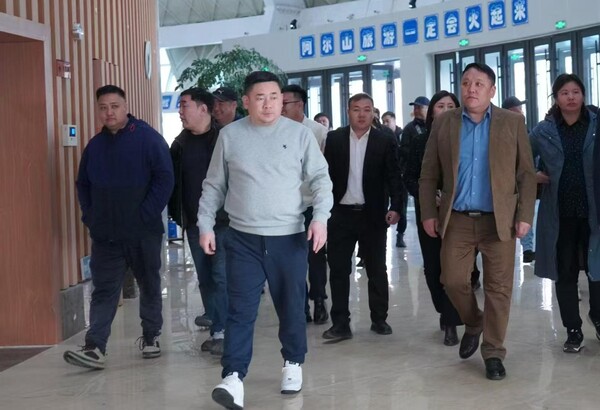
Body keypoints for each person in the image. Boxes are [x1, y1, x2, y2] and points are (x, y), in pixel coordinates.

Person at [198, 71, 333, 409]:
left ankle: (293, 362)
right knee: (240, 310)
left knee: (291, 305)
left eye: (274, 97)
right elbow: (214, 184)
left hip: (288, 237)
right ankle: (233, 377)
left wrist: (320, 218)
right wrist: (205, 224)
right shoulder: (230, 136)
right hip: (242, 238)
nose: (269, 104)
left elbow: (320, 179)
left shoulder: (299, 134)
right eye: (260, 97)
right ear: (246, 102)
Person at [419, 63, 536, 380]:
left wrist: (525, 216)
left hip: (499, 220)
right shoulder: (445, 122)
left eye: (479, 83)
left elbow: (526, 174)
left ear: (492, 90)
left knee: (499, 289)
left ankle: (494, 352)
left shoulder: (512, 122)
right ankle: (473, 321)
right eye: (466, 82)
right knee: (452, 280)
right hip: (457, 218)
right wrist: (428, 212)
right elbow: (428, 173)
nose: (471, 88)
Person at [64, 85, 174, 370]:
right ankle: (95, 346)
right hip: (106, 236)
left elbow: (165, 179)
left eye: (114, 106)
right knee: (104, 290)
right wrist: (91, 217)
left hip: (143, 232)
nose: (109, 112)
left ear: (125, 107)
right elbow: (83, 184)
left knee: (148, 284)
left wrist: (145, 215)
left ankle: (151, 336)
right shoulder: (95, 146)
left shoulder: (148, 139)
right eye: (103, 107)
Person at [323, 93, 404, 341]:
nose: (361, 114)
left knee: (377, 268)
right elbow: (324, 176)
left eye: (366, 110)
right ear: (348, 112)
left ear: (373, 113)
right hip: (340, 214)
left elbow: (395, 176)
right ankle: (340, 323)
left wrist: (396, 207)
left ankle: (379, 319)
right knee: (338, 269)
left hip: (373, 214)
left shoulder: (385, 140)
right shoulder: (335, 139)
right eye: (356, 109)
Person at [530, 74, 600, 353]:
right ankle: (573, 329)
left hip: (595, 212)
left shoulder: (596, 125)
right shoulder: (543, 131)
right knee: (566, 272)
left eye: (575, 92)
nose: (571, 97)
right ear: (556, 98)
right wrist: (534, 174)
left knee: (597, 270)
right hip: (560, 215)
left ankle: (598, 316)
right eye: (564, 93)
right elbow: (518, 158)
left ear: (583, 95)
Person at [168, 87, 228, 356]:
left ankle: (225, 332)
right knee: (205, 277)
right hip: (194, 223)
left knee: (221, 276)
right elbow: (172, 184)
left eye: (184, 105)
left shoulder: (224, 139)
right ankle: (217, 327)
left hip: (225, 222)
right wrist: (177, 214)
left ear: (203, 108)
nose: (180, 112)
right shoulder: (179, 145)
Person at [404, 90, 463, 346]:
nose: (446, 110)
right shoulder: (420, 141)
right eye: (441, 106)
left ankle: (451, 322)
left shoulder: (466, 138)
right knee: (433, 268)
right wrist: (428, 196)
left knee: (454, 268)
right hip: (429, 212)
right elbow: (409, 177)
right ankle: (444, 310)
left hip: (460, 213)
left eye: (451, 106)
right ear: (431, 112)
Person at [281, 84, 330, 325]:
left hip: (311, 205)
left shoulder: (318, 132)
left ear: (299, 104)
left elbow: (322, 173)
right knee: (293, 259)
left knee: (316, 256)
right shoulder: (277, 130)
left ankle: (319, 300)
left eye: (284, 103)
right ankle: (300, 306)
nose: (280, 108)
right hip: (287, 206)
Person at [502, 96, 536, 263]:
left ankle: (528, 248)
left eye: (521, 110)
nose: (521, 113)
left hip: (524, 181)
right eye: (516, 110)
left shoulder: (526, 132)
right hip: (506, 185)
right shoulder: (501, 133)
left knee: (526, 213)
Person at [397, 96, 429, 248]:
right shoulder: (409, 128)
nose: (416, 110)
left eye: (419, 107)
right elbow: (404, 151)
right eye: (415, 107)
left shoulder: (434, 126)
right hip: (417, 177)